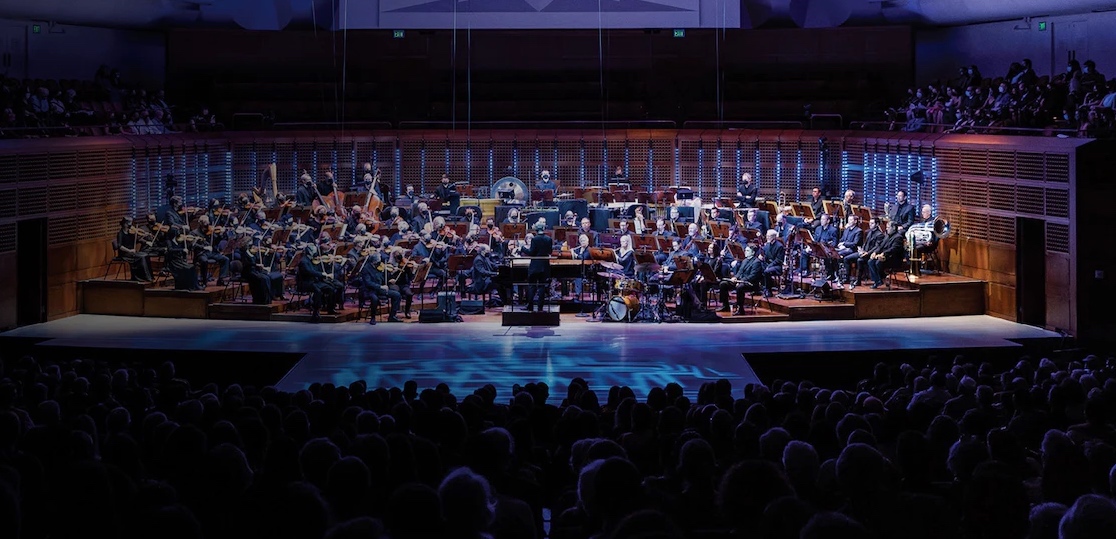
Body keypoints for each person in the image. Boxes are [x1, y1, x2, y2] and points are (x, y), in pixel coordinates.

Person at [298, 244, 343, 322]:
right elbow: (310, 272)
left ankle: (330, 308)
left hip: (314, 281)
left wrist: (325, 270)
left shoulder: (312, 259)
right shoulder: (303, 261)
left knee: (330, 289)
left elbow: (317, 269)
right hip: (306, 283)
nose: (315, 253)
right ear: (309, 251)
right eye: (314, 251)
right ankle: (316, 312)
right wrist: (322, 274)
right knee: (317, 290)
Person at [718, 243, 762, 314]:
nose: (745, 252)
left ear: (753, 252)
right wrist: (735, 277)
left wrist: (741, 281)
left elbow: (752, 276)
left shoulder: (756, 262)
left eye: (747, 251)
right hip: (741, 281)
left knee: (740, 287)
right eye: (745, 250)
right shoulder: (744, 260)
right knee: (723, 284)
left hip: (751, 283)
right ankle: (725, 306)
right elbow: (740, 272)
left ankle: (740, 309)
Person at [867, 222, 906, 289]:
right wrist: (875, 252)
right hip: (885, 257)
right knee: (870, 261)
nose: (886, 229)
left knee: (878, 263)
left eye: (888, 227)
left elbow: (894, 249)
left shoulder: (898, 237)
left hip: (894, 259)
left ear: (893, 228)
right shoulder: (887, 236)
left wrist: (883, 253)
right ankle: (878, 280)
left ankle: (882, 278)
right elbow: (881, 246)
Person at [115, 217, 154, 282]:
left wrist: (144, 236)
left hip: (132, 252)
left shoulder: (131, 233)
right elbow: (120, 246)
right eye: (129, 224)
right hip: (125, 254)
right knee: (141, 257)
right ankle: (141, 277)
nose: (131, 225)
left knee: (146, 255)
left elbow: (137, 240)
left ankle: (149, 276)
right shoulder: (120, 233)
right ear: (124, 224)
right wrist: (129, 250)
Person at [525, 221, 553, 312]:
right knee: (542, 287)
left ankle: (530, 306)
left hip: (535, 266)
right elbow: (550, 252)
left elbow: (531, 252)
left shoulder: (535, 239)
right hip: (545, 266)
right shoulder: (549, 239)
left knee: (532, 286)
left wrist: (523, 248)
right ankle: (540, 307)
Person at [836, 215, 863, 284]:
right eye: (848, 220)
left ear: (855, 221)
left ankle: (846, 277)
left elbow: (855, 243)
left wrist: (844, 244)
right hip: (844, 248)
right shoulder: (847, 229)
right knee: (832, 253)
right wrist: (840, 244)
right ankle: (836, 275)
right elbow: (842, 239)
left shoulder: (858, 231)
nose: (849, 221)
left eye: (851, 220)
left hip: (853, 250)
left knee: (839, 255)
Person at [760, 229, 784, 295]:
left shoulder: (780, 246)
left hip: (777, 266)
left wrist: (769, 266)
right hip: (768, 264)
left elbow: (779, 260)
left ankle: (768, 290)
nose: (767, 237)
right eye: (767, 236)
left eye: (769, 236)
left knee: (767, 271)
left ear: (774, 237)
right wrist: (762, 257)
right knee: (758, 267)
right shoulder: (767, 245)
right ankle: (760, 287)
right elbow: (765, 255)